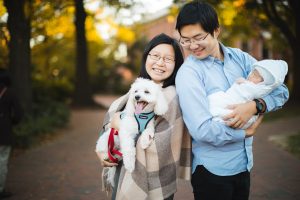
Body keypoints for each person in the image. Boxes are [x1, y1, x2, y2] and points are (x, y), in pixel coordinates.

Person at [174, 1, 289, 200]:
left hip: (244, 164)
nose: (192, 46)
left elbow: (281, 90)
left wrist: (255, 106)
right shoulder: (189, 74)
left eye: (198, 37)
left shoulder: (240, 59)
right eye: (185, 40)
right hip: (212, 171)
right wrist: (246, 132)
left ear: (216, 31)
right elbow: (202, 130)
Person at [95, 33, 191, 200]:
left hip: (153, 184)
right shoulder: (138, 89)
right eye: (155, 56)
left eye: (168, 59)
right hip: (120, 171)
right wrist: (103, 151)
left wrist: (120, 125)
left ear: (176, 65)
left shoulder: (171, 98)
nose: (160, 63)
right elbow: (108, 125)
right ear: (146, 57)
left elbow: (159, 146)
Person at [209, 59, 288, 129]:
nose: (251, 76)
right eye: (253, 73)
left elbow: (282, 91)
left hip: (237, 106)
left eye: (256, 76)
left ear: (263, 82)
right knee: (215, 97)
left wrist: (256, 106)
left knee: (227, 114)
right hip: (229, 98)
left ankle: (216, 116)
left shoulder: (242, 58)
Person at [0, 68, 23, 199]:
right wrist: (11, 122)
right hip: (4, 132)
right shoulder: (9, 93)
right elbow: (18, 113)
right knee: (2, 160)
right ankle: (0, 189)